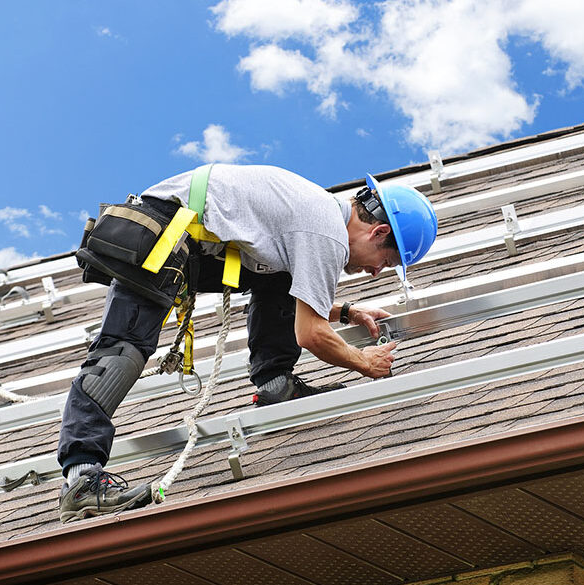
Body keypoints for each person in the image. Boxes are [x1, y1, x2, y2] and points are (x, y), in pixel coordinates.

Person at [56, 164, 438, 523]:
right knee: (121, 354)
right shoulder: (327, 233)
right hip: (162, 233)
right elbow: (311, 334)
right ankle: (81, 478)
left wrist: (345, 312)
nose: (373, 272)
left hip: (185, 237)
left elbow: (297, 292)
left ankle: (276, 384)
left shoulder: (319, 214)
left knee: (279, 278)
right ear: (379, 233)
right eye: (384, 264)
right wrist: (363, 362)